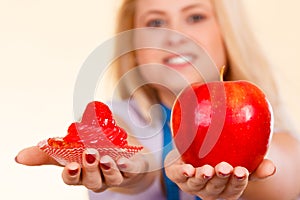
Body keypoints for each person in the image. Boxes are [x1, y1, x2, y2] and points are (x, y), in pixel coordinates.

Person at [15, 0, 300, 199]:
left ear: (227, 31)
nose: (175, 35)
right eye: (156, 22)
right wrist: (135, 169)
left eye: (195, 16)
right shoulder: (116, 119)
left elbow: (285, 178)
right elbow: (134, 159)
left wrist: (244, 166)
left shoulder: (263, 111)